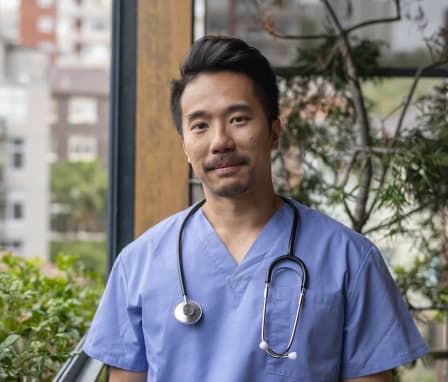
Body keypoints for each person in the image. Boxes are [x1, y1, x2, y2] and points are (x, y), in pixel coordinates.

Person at [83, 36, 428, 382]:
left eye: (238, 119)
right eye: (200, 125)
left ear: (274, 132)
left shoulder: (349, 260)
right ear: (185, 146)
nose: (220, 142)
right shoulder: (138, 265)